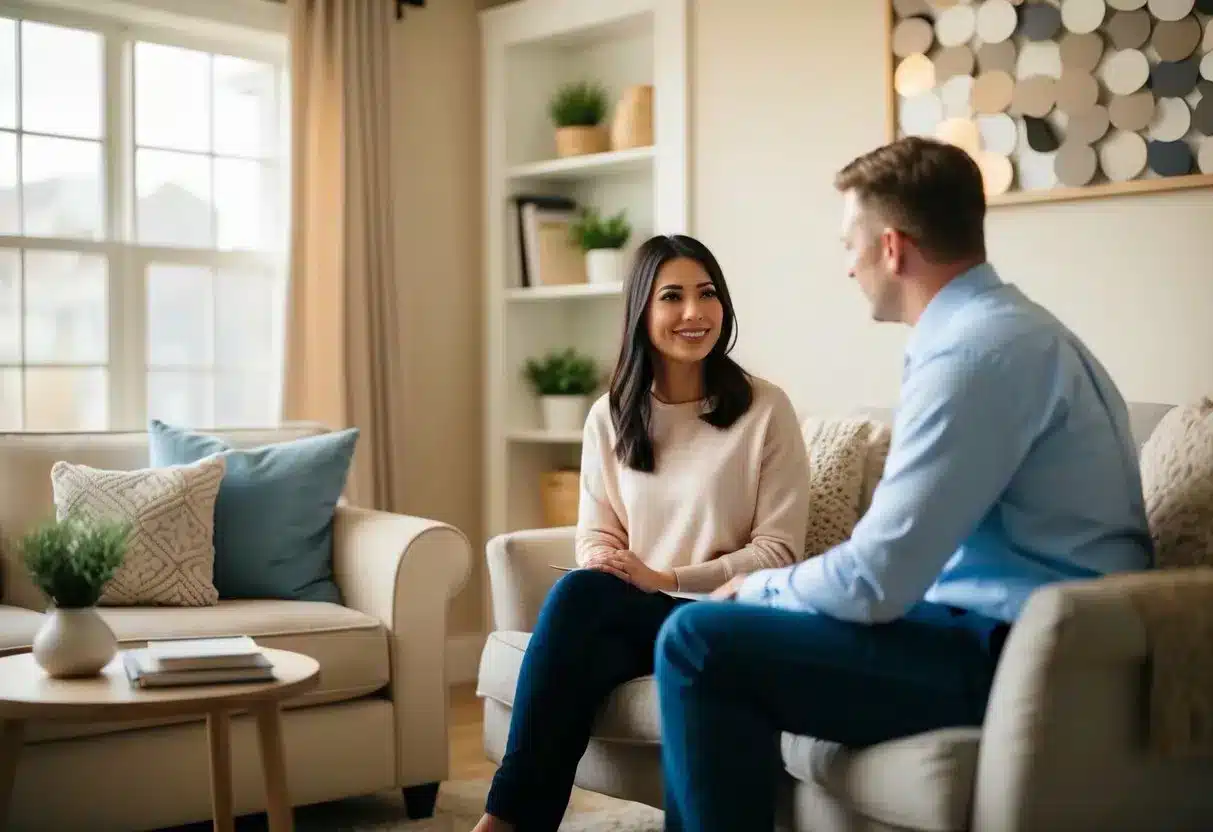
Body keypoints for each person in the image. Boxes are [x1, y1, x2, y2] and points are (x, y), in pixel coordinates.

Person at [652, 136, 1155, 831]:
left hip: (1022, 651)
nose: (846, 268)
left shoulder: (974, 353)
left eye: (847, 245)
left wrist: (761, 587)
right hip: (1003, 630)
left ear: (890, 247)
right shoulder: (1013, 330)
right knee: (723, 629)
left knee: (698, 641)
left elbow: (877, 579)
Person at [473, 234, 812, 832]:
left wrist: (669, 577)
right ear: (641, 311)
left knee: (579, 607)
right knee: (585, 604)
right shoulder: (609, 416)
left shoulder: (765, 409)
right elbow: (596, 535)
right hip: (636, 615)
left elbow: (779, 551)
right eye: (672, 297)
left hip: (723, 617)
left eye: (707, 295)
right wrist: (613, 564)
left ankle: (503, 824)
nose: (694, 313)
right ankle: (513, 821)